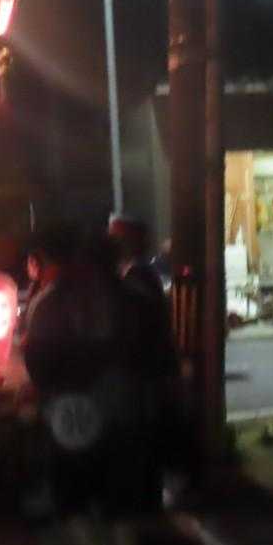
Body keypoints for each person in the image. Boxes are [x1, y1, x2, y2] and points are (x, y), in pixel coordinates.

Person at [23, 225, 157, 545]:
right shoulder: (137, 301)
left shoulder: (52, 302)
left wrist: (44, 396)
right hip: (126, 410)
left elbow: (38, 363)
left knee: (70, 497)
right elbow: (155, 359)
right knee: (123, 499)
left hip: (73, 415)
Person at [108, 216, 190, 507]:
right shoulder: (140, 273)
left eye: (116, 237)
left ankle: (156, 493)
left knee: (151, 429)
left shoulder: (138, 276)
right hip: (155, 366)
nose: (112, 242)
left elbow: (141, 327)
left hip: (150, 369)